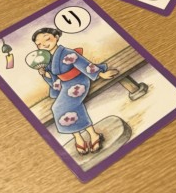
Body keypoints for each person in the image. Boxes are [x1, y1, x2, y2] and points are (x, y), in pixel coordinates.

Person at [31, 27, 119, 155]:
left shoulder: (67, 52)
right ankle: (83, 136)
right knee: (68, 107)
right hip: (64, 84)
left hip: (78, 81)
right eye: (39, 44)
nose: (43, 45)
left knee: (58, 107)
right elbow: (54, 77)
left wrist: (101, 74)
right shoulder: (48, 59)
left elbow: (84, 64)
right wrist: (45, 73)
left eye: (47, 39)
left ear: (56, 37)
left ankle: (89, 135)